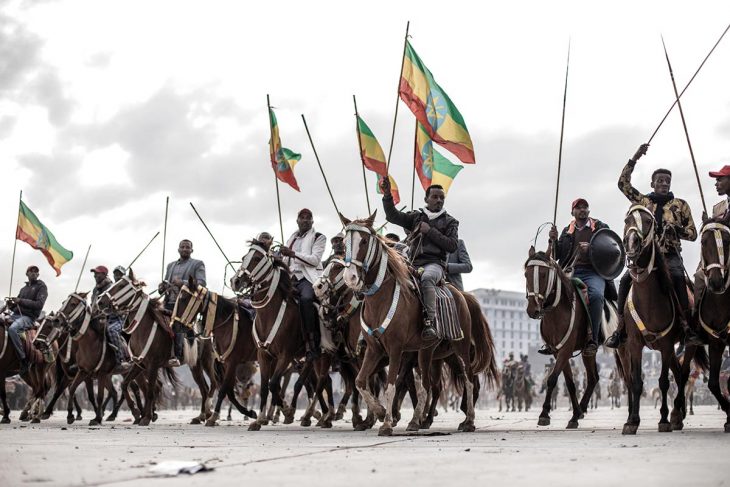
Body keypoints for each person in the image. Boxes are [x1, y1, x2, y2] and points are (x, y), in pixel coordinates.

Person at [606, 143, 700, 347]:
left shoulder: (680, 205)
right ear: (652, 183)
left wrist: (677, 230)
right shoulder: (643, 201)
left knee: (676, 276)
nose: (664, 183)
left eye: (667, 181)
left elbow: (693, 233)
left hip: (669, 254)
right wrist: (634, 158)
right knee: (624, 281)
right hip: (644, 256)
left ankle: (685, 327)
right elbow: (623, 184)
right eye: (660, 181)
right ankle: (621, 328)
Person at [380, 178, 459, 340]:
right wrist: (387, 195)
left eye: (441, 198)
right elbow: (392, 216)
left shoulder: (451, 222)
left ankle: (430, 321)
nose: (438, 200)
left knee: (427, 278)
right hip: (410, 263)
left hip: (434, 264)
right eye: (435, 197)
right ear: (426, 199)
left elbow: (452, 245)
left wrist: (430, 231)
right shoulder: (415, 217)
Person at [543, 198, 616, 356]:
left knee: (596, 296)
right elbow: (556, 256)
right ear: (573, 212)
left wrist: (592, 248)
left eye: (585, 207)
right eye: (579, 208)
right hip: (570, 272)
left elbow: (611, 248)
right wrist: (553, 240)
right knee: (549, 294)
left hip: (593, 272)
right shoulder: (566, 231)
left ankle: (593, 339)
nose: (582, 210)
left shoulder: (600, 227)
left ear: (589, 211)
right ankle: (549, 339)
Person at [279, 208, 326, 360]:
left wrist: (292, 254)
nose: (305, 220)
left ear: (312, 221)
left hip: (307, 278)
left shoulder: (319, 237)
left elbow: (314, 260)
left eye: (308, 217)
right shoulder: (291, 239)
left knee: (306, 300)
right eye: (302, 217)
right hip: (290, 278)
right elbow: (286, 261)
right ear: (297, 221)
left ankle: (312, 343)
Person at [158, 240, 206, 366]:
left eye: (187, 247)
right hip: (168, 301)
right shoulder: (170, 266)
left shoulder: (197, 264)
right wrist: (162, 287)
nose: (185, 249)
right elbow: (166, 284)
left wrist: (183, 283)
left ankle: (176, 355)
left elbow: (201, 284)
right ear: (178, 249)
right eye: (182, 247)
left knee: (176, 322)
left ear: (192, 250)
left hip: (185, 305)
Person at [5, 265, 47, 375]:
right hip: (15, 315)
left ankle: (23, 360)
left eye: (36, 271)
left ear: (38, 275)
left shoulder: (41, 287)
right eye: (31, 271)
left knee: (13, 329)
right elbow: (16, 306)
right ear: (27, 274)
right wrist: (11, 305)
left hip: (29, 318)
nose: (33, 273)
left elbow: (39, 304)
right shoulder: (23, 289)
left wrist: (20, 301)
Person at [90, 265, 131, 370]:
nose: (95, 275)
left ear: (104, 274)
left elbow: (118, 308)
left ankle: (121, 359)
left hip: (119, 318)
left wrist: (106, 312)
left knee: (111, 330)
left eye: (97, 273)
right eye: (116, 274)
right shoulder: (95, 289)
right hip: (101, 318)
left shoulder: (112, 288)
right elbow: (93, 305)